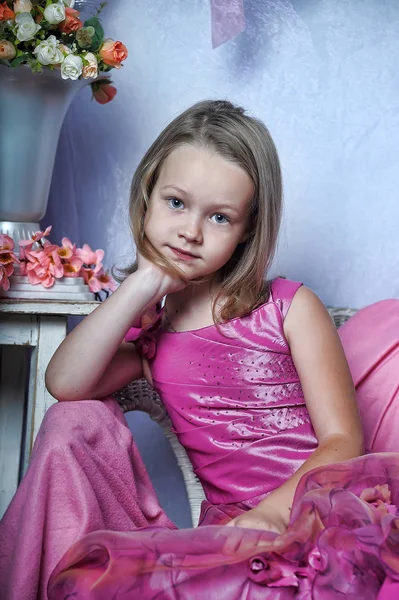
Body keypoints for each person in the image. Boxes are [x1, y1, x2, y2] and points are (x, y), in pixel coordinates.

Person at [1, 100, 399, 600]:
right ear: (146, 195)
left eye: (219, 217)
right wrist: (143, 282)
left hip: (317, 509)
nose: (191, 231)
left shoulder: (289, 308)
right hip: (223, 535)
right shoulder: (151, 334)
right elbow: (65, 383)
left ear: (247, 230)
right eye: (175, 203)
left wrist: (276, 515)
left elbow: (342, 440)